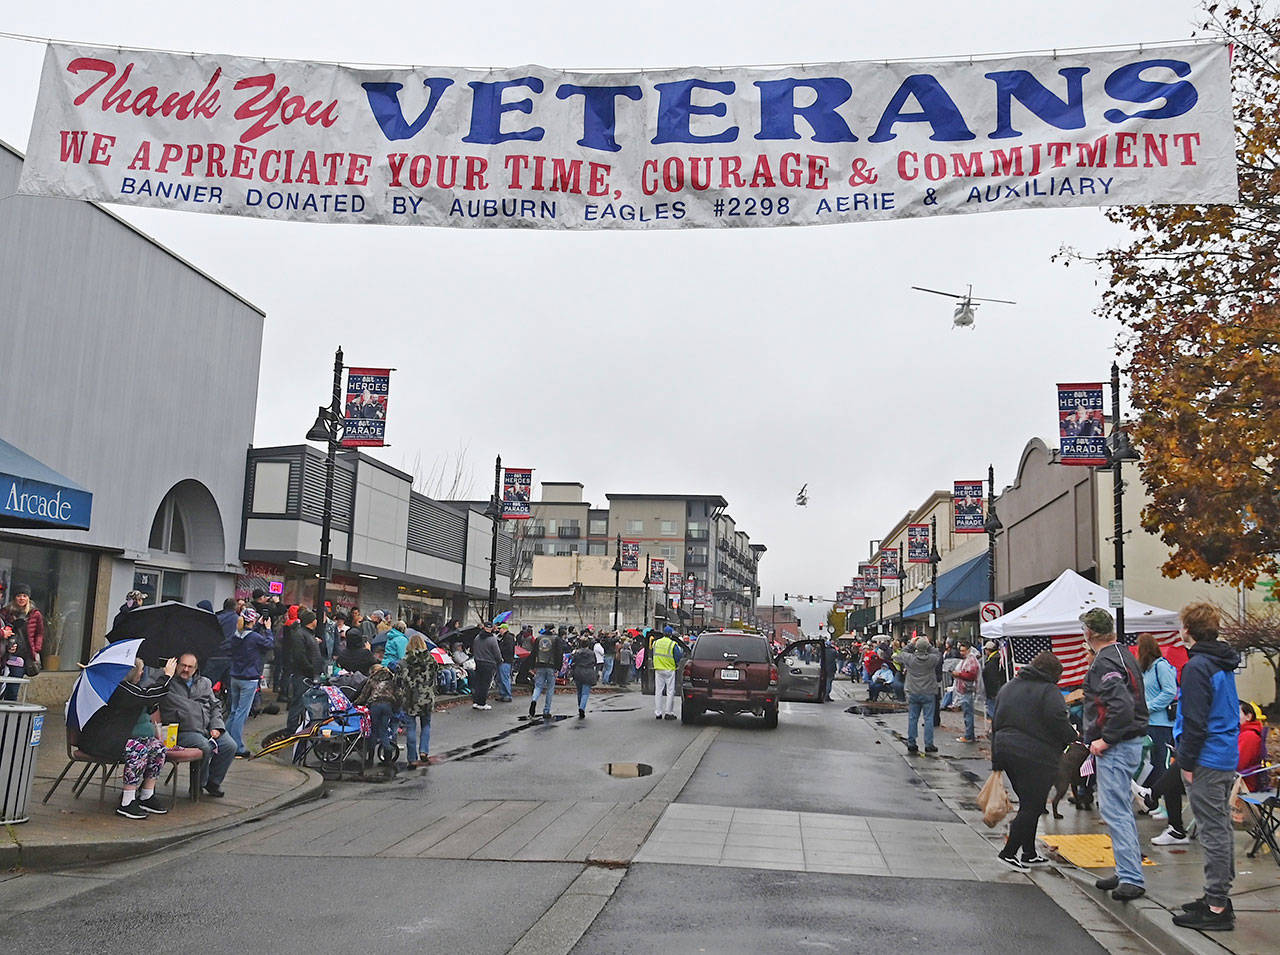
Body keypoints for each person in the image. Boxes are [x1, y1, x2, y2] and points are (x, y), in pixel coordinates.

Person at [1170, 602, 1240, 933]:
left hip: (1207, 758)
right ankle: (1217, 896)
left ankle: (1216, 906)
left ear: (1188, 629)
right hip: (1224, 753)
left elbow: (1195, 720)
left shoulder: (1198, 666)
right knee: (1220, 827)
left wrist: (1186, 761)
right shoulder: (1221, 662)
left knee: (1212, 831)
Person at [1081, 607, 1150, 902]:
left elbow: (1120, 706)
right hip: (1130, 741)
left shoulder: (1104, 663)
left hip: (1117, 745)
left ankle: (1132, 876)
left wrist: (1104, 741)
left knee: (1116, 811)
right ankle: (1126, 870)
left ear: (1090, 633)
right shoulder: (1124, 655)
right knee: (1119, 808)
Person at [991, 651, 1078, 870]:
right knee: (1033, 805)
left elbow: (996, 720)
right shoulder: (1049, 691)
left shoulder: (1009, 686)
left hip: (1005, 749)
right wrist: (1072, 736)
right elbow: (1057, 719)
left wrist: (996, 759)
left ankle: (1029, 852)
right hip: (1034, 754)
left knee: (1028, 803)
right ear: (1052, 673)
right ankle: (1009, 852)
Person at [78, 655, 179, 818]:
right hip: (101, 741)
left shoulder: (128, 688)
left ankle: (147, 794)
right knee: (137, 749)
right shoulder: (118, 688)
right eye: (140, 671)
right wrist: (167, 676)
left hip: (118, 738)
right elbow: (144, 696)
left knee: (157, 748)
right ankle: (127, 801)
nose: (142, 674)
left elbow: (145, 700)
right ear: (131, 673)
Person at [159, 653, 237, 798]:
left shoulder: (205, 682)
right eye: (183, 665)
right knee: (204, 746)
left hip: (207, 727)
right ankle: (197, 786)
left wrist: (216, 726)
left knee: (230, 745)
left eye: (190, 667)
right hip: (183, 730)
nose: (186, 669)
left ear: (196, 668)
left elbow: (215, 706)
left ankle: (212, 782)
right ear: (177, 665)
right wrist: (166, 677)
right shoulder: (168, 683)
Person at [1136, 632, 1179, 794]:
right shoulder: (1145, 670)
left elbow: (1169, 691)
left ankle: (1159, 798)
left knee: (1160, 762)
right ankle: (1150, 796)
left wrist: (1149, 707)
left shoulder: (1161, 666)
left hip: (1160, 724)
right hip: (1147, 723)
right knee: (1149, 762)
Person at [226, 609, 273, 757]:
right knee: (242, 713)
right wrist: (269, 629)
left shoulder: (236, 636)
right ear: (252, 621)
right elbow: (269, 644)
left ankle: (225, 741)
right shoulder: (254, 638)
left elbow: (250, 637)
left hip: (235, 676)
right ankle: (237, 747)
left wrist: (257, 627)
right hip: (249, 679)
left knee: (233, 711)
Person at [398, 635, 439, 767]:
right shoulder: (431, 660)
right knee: (426, 725)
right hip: (427, 696)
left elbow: (399, 680)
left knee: (411, 728)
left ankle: (412, 758)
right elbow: (435, 676)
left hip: (411, 698)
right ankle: (424, 751)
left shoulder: (405, 661)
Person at [285, 609, 323, 733]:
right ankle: (292, 730)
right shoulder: (300, 635)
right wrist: (311, 669)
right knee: (298, 703)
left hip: (310, 675)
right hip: (303, 676)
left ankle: (303, 728)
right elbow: (300, 656)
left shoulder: (308, 634)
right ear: (311, 621)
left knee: (305, 704)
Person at [901, 637, 940, 755]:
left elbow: (903, 652)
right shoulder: (932, 659)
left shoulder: (910, 659)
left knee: (913, 718)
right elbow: (937, 653)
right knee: (928, 719)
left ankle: (912, 742)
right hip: (928, 692)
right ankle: (929, 744)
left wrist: (911, 644)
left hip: (913, 691)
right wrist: (928, 645)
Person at [354, 664, 401, 756]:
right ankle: (388, 754)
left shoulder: (372, 680)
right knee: (384, 730)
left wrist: (355, 703)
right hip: (388, 705)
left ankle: (370, 757)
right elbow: (399, 694)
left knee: (374, 731)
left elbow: (364, 695)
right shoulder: (391, 679)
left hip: (375, 706)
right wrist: (396, 707)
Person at [2, 584, 44, 675]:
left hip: (24, 654)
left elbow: (39, 633)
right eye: (19, 596)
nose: (22, 598)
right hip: (6, 653)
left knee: (14, 685)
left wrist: (36, 649)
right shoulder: (6, 612)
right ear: (14, 598)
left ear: (28, 598)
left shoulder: (35, 614)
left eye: (24, 596)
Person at [528, 625, 566, 720]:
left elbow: (534, 653)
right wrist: (558, 668)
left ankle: (534, 700)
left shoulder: (538, 638)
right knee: (550, 688)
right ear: (553, 629)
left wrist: (532, 666)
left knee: (538, 686)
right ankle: (546, 710)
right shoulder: (556, 639)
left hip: (539, 665)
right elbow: (559, 654)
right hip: (551, 666)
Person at [651, 626, 683, 721]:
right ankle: (668, 712)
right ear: (671, 634)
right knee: (670, 691)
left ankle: (658, 712)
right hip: (669, 669)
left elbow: (652, 652)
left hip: (658, 669)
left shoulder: (656, 643)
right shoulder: (672, 644)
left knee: (658, 691)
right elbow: (678, 656)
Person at [953, 639, 980, 743]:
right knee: (967, 713)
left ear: (969, 650)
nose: (961, 653)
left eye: (963, 650)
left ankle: (969, 736)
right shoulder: (967, 660)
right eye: (960, 650)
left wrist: (959, 674)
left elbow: (971, 675)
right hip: (965, 689)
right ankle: (969, 735)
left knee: (968, 713)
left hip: (967, 689)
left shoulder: (971, 660)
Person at [471, 622, 501, 710]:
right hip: (488, 663)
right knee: (485, 683)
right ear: (491, 628)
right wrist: (499, 660)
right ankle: (482, 703)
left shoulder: (477, 637)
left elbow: (474, 649)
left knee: (478, 683)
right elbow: (497, 652)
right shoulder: (492, 639)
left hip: (478, 661)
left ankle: (476, 701)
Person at [571, 636, 598, 719]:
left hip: (578, 671)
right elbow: (595, 662)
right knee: (585, 693)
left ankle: (580, 706)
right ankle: (582, 708)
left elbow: (573, 662)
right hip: (588, 672)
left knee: (579, 691)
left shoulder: (577, 652)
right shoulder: (592, 653)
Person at [981, 641, 1008, 721]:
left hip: (993, 690)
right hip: (996, 689)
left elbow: (992, 677)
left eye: (986, 650)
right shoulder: (997, 659)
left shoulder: (992, 661)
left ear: (988, 650)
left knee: (993, 711)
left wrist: (991, 692)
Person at [495, 624, 515, 702]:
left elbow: (508, 649)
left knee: (504, 678)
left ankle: (507, 695)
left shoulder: (508, 638)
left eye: (500, 629)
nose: (499, 630)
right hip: (502, 660)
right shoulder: (503, 637)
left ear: (504, 629)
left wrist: (500, 649)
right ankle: (502, 693)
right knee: (500, 678)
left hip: (506, 660)